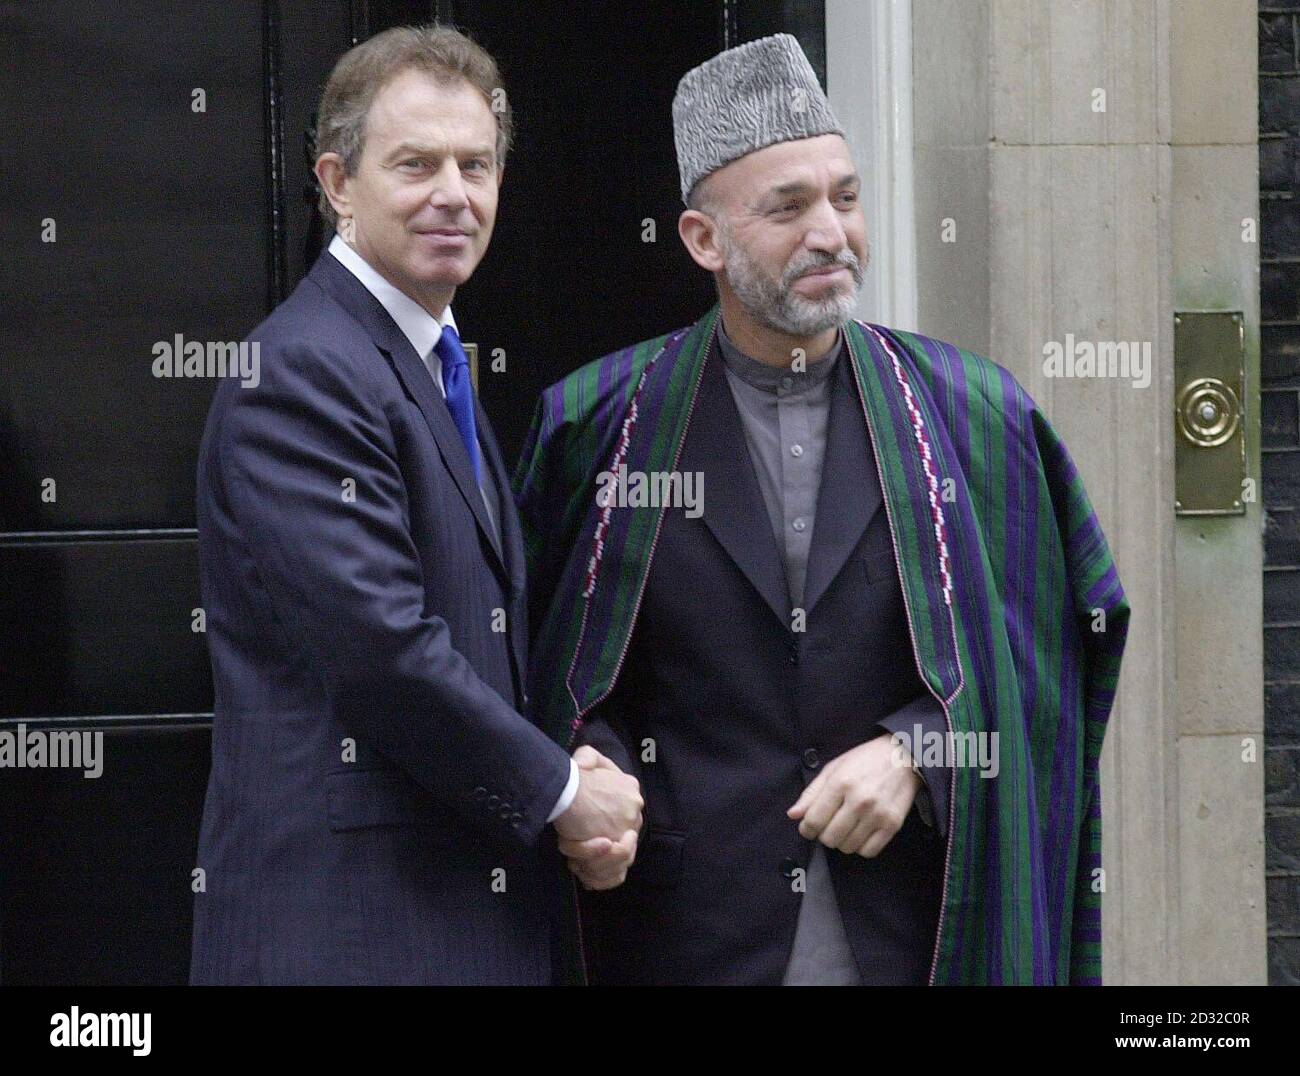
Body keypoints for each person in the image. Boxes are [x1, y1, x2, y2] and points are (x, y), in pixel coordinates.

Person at [515, 34, 1129, 985]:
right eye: (787, 207)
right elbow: (541, 669)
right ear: (702, 240)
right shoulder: (596, 424)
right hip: (684, 936)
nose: (830, 233)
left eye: (844, 197)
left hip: (916, 938)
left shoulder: (977, 418)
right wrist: (591, 770)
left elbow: (1048, 672)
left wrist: (922, 752)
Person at [189, 24, 641, 986]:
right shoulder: (303, 371)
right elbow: (382, 649)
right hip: (352, 933)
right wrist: (562, 793)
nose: (454, 194)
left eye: (476, 165)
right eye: (416, 163)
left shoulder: (428, 361)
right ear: (338, 184)